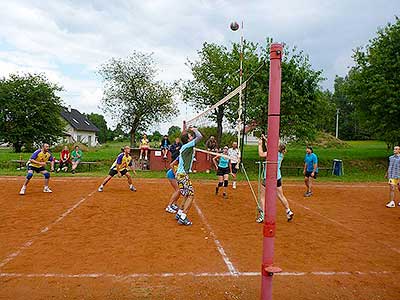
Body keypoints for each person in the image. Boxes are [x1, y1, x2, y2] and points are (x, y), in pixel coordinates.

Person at [256, 139, 294, 223]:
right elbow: (270, 145)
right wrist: (265, 139)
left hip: (268, 177)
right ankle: (288, 211)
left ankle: (263, 215)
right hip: (277, 177)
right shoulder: (281, 153)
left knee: (262, 197)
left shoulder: (272, 153)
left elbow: (261, 154)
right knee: (281, 195)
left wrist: (259, 145)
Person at [175, 124, 203, 225]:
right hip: (183, 175)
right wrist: (195, 129)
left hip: (180, 174)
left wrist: (186, 129)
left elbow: (187, 136)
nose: (192, 137)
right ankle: (183, 216)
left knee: (186, 194)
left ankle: (179, 213)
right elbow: (200, 137)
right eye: (190, 136)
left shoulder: (184, 146)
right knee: (191, 195)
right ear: (188, 140)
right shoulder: (187, 145)